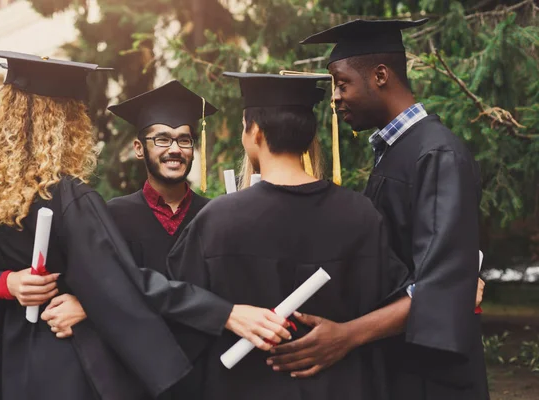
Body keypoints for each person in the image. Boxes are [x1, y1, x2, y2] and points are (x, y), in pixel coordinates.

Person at [0, 51, 290, 400]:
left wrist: (8, 284)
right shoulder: (73, 198)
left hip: (14, 363)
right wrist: (227, 314)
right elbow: (126, 281)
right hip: (65, 367)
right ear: (63, 121)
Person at [268, 19, 489, 400]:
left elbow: (441, 287)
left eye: (341, 82)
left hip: (432, 380)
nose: (335, 97)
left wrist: (346, 337)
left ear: (381, 75)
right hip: (399, 366)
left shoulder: (436, 154)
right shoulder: (398, 153)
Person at [166, 72, 411, 400]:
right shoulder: (361, 215)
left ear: (254, 132)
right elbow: (402, 306)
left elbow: (175, 309)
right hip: (341, 387)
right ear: (309, 136)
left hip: (242, 387)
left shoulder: (217, 220)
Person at [41, 80, 218, 399]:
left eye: (184, 140)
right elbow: (91, 284)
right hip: (133, 378)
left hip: (203, 374)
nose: (175, 149)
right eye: (162, 139)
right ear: (139, 148)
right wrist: (89, 303)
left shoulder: (215, 216)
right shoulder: (110, 217)